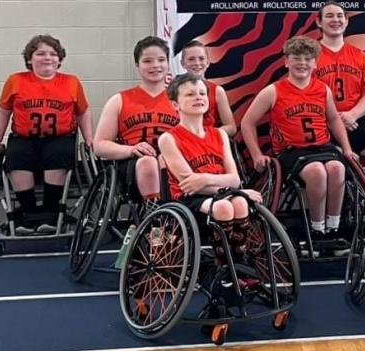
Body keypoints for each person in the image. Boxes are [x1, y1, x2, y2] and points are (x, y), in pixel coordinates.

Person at [241, 35, 355, 254]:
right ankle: (316, 229)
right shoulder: (274, 91)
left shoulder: (322, 89)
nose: (302, 63)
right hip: (292, 152)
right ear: (286, 62)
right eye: (296, 58)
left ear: (315, 63)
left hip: (323, 147)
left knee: (337, 168)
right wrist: (256, 155)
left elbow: (333, 120)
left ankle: (333, 228)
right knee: (317, 173)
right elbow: (247, 123)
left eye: (308, 58)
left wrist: (347, 148)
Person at [0, 34, 92, 234]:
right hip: (25, 137)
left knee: (57, 155)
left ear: (59, 59)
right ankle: (28, 213)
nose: (47, 58)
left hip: (60, 137)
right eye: (40, 53)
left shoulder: (71, 82)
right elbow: (3, 112)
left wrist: (89, 138)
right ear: (29, 59)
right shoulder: (16, 81)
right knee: (17, 157)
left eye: (53, 54)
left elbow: (83, 111)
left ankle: (51, 213)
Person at [157, 73, 259, 232]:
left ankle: (239, 255)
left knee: (240, 202)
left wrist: (205, 178)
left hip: (222, 193)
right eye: (190, 94)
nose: (198, 97)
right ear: (175, 105)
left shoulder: (220, 134)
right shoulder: (168, 139)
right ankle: (223, 256)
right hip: (190, 200)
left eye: (202, 93)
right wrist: (230, 189)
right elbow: (191, 186)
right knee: (224, 206)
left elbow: (234, 179)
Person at [93, 36, 178, 201]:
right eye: (147, 61)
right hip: (132, 166)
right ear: (137, 65)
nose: (155, 65)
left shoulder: (181, 99)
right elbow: (99, 145)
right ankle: (153, 216)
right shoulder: (119, 100)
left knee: (165, 161)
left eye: (161, 60)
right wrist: (130, 150)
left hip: (172, 163)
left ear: (168, 64)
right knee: (148, 162)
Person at [314, 1, 365, 164]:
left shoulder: (359, 55)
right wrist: (332, 120)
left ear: (346, 21)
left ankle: (364, 185)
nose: (335, 20)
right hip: (321, 119)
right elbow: (304, 92)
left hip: (354, 117)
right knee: (332, 158)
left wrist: (352, 115)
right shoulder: (310, 55)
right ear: (319, 22)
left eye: (340, 16)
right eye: (329, 16)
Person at [179, 40, 237, 138]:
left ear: (208, 62)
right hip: (181, 143)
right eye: (191, 59)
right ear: (182, 63)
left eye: (201, 58)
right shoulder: (174, 90)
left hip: (209, 145)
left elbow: (231, 127)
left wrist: (206, 135)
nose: (197, 63)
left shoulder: (217, 91)